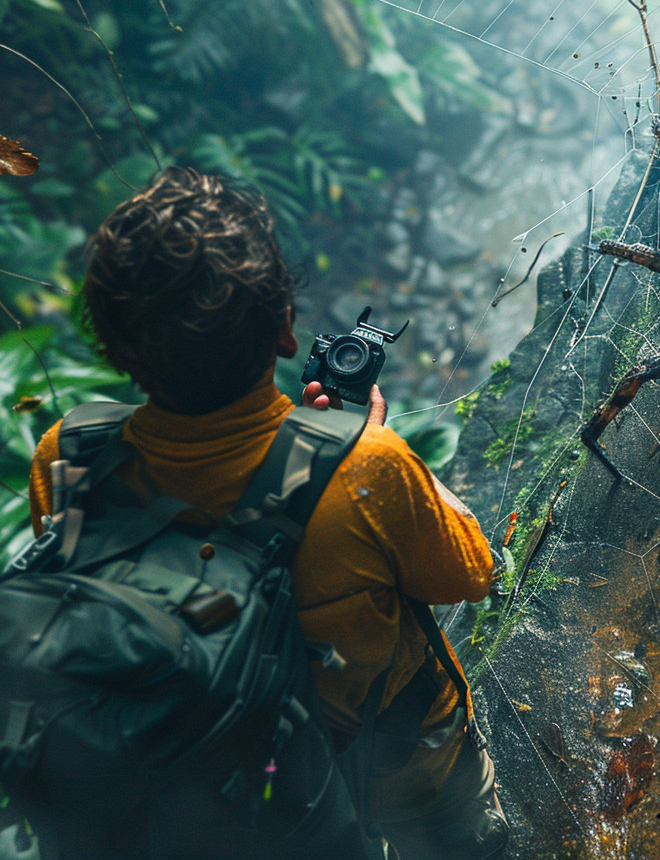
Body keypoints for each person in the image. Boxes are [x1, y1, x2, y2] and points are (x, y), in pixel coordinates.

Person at [25, 166, 509, 860]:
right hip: (390, 771)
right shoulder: (367, 469)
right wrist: (377, 450)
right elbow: (473, 574)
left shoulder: (66, 455)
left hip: (195, 794)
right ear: (285, 329)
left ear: (116, 347)